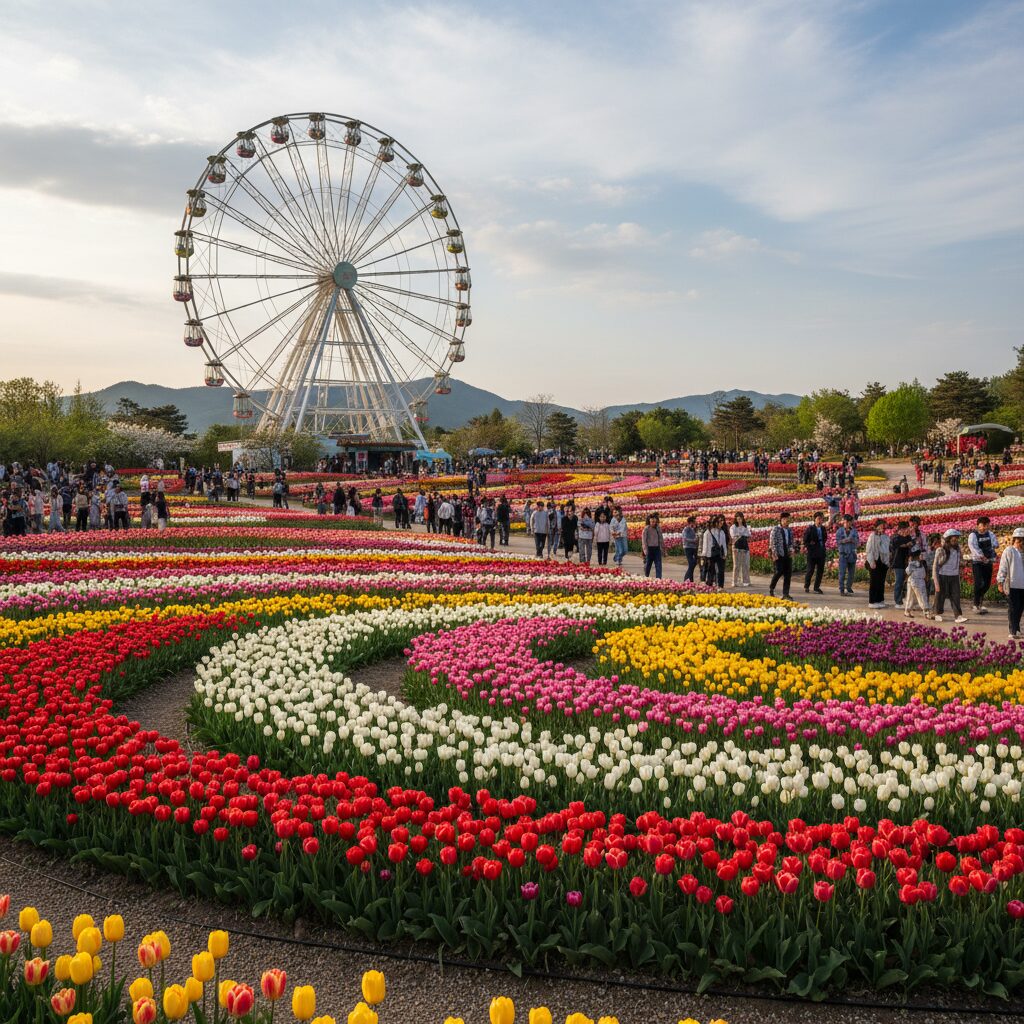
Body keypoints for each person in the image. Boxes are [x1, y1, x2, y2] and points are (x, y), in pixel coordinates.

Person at [932, 529, 967, 623]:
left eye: (956, 538)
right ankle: (936, 613)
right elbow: (935, 566)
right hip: (943, 576)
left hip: (954, 576)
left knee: (956, 596)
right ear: (948, 539)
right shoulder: (941, 550)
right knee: (940, 596)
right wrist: (936, 581)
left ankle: (958, 616)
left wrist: (964, 562)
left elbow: (960, 561)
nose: (955, 539)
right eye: (953, 537)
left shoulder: (958, 549)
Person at [967, 516, 999, 615]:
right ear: (978, 525)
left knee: (987, 583)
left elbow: (995, 544)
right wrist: (982, 557)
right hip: (978, 562)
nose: (985, 527)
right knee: (978, 583)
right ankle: (976, 604)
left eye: (987, 525)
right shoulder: (973, 535)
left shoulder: (990, 534)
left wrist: (993, 549)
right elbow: (973, 548)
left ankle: (979, 600)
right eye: (983, 525)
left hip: (988, 561)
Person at [997, 527, 1024, 639]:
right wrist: (1000, 581)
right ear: (1014, 540)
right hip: (1012, 584)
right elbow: (1003, 567)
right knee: (1013, 608)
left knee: (1020, 608)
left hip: (1022, 585)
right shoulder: (1009, 551)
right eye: (1019, 540)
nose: (1021, 543)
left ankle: (1017, 629)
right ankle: (1013, 631)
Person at [864, 519, 890, 609]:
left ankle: (880, 600)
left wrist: (887, 562)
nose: (883, 528)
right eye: (881, 526)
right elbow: (869, 550)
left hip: (883, 562)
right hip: (874, 561)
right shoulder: (872, 536)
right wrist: (871, 561)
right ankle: (872, 601)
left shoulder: (886, 537)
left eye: (884, 527)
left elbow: (886, 550)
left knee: (881, 582)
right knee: (874, 582)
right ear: (877, 526)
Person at [768, 512, 795, 600]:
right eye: (785, 519)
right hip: (779, 554)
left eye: (788, 520)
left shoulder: (789, 530)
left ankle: (785, 593)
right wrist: (774, 554)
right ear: (781, 520)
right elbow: (772, 542)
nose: (787, 521)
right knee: (779, 572)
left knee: (788, 574)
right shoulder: (776, 529)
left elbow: (791, 542)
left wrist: (791, 550)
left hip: (787, 554)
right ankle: (772, 588)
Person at [802, 512, 828, 594]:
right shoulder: (810, 529)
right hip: (812, 553)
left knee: (820, 571)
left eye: (821, 519)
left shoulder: (823, 528)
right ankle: (806, 586)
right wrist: (810, 546)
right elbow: (805, 541)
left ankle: (816, 587)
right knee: (810, 570)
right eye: (818, 519)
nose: (820, 521)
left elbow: (825, 538)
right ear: (815, 520)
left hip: (821, 552)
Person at [889, 522, 913, 606]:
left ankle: (903, 598)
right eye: (907, 528)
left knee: (905, 582)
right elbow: (897, 546)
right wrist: (907, 544)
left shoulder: (908, 537)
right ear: (902, 529)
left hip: (907, 563)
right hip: (897, 562)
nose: (908, 530)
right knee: (899, 581)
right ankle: (897, 600)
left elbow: (912, 546)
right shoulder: (895, 537)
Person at [835, 515, 859, 595]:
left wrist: (853, 540)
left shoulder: (854, 531)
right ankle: (841, 589)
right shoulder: (840, 531)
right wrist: (845, 540)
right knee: (842, 573)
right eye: (845, 522)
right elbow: (837, 542)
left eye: (849, 522)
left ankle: (849, 587)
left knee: (851, 573)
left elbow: (858, 542)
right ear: (844, 522)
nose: (847, 524)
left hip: (852, 553)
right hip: (843, 554)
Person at [701, 515, 727, 588]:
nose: (722, 523)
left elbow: (724, 544)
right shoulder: (708, 532)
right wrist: (704, 555)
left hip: (719, 553)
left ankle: (720, 586)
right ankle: (709, 586)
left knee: (721, 571)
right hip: (710, 554)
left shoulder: (722, 532)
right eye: (720, 521)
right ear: (716, 523)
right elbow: (705, 545)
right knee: (711, 571)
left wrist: (725, 553)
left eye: (722, 521)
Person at [904, 547, 930, 618]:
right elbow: (908, 571)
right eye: (920, 554)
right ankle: (926, 612)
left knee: (910, 597)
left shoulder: (917, 563)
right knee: (921, 596)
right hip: (917, 582)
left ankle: (907, 611)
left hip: (912, 581)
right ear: (917, 556)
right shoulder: (916, 563)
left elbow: (907, 571)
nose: (922, 555)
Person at [729, 512, 751, 587]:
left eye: (741, 518)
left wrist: (740, 535)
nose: (739, 520)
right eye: (738, 519)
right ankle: (734, 581)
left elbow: (749, 535)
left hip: (744, 547)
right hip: (736, 547)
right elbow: (733, 536)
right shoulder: (733, 527)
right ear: (735, 519)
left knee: (745, 564)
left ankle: (745, 581)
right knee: (736, 565)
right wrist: (742, 535)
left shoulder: (745, 527)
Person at [641, 513, 664, 579]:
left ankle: (658, 579)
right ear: (649, 521)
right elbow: (644, 540)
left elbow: (661, 539)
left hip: (657, 549)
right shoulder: (646, 529)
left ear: (656, 521)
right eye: (651, 522)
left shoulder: (658, 528)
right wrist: (645, 550)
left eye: (654, 521)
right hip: (649, 549)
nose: (653, 523)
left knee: (658, 565)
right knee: (648, 565)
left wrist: (663, 549)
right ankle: (646, 576)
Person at [681, 516, 699, 583]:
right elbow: (685, 539)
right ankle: (686, 579)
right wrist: (693, 540)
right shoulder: (686, 529)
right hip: (688, 548)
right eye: (694, 521)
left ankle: (691, 580)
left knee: (693, 563)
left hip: (693, 548)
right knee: (691, 564)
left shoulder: (693, 529)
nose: (695, 523)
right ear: (690, 522)